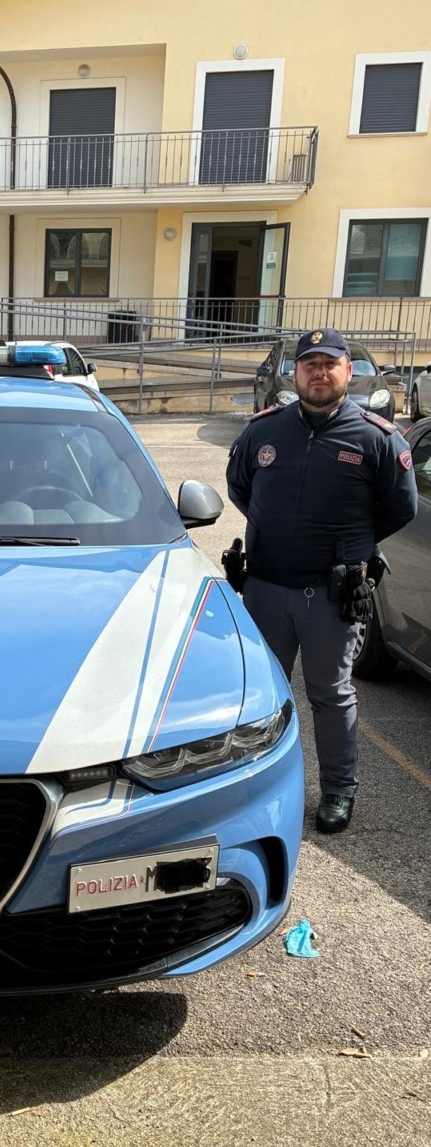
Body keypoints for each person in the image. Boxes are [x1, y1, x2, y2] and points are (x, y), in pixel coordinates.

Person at [226, 327, 417, 835]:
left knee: (330, 696)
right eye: (310, 364)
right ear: (295, 372)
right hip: (265, 589)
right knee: (260, 695)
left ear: (347, 371)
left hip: (333, 597)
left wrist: (351, 543)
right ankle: (254, 787)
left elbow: (400, 508)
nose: (319, 373)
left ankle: (338, 789)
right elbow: (241, 489)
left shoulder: (377, 438)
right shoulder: (263, 431)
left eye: (330, 364)